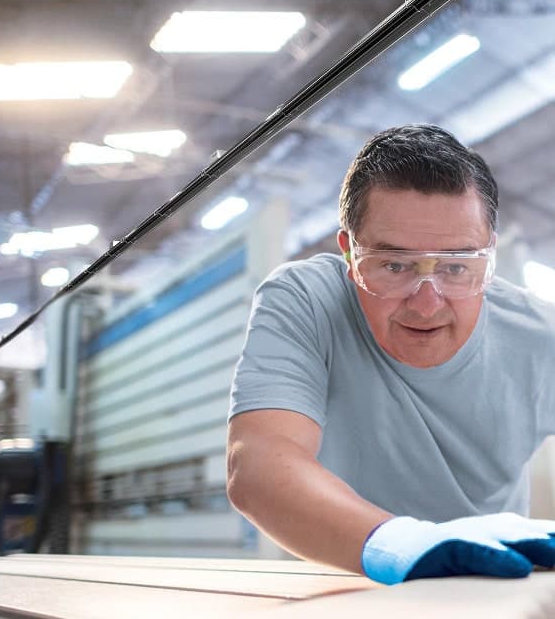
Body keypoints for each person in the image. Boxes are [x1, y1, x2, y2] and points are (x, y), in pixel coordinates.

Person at [226, 124, 555, 585]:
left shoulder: (542, 336)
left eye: (457, 266)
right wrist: (399, 544)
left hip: (493, 589)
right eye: (394, 266)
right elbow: (258, 465)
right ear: (349, 254)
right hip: (343, 580)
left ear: (489, 255)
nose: (426, 303)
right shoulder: (306, 299)